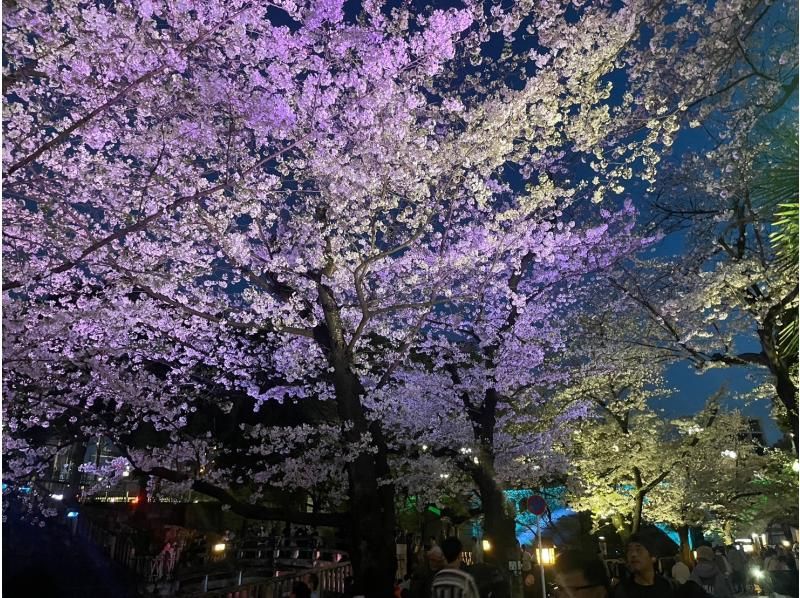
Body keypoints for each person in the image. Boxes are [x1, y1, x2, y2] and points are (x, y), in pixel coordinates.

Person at [612, 533, 677, 598]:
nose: (633, 554)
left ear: (653, 557)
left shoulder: (667, 587)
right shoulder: (621, 591)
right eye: (630, 550)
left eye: (638, 550)